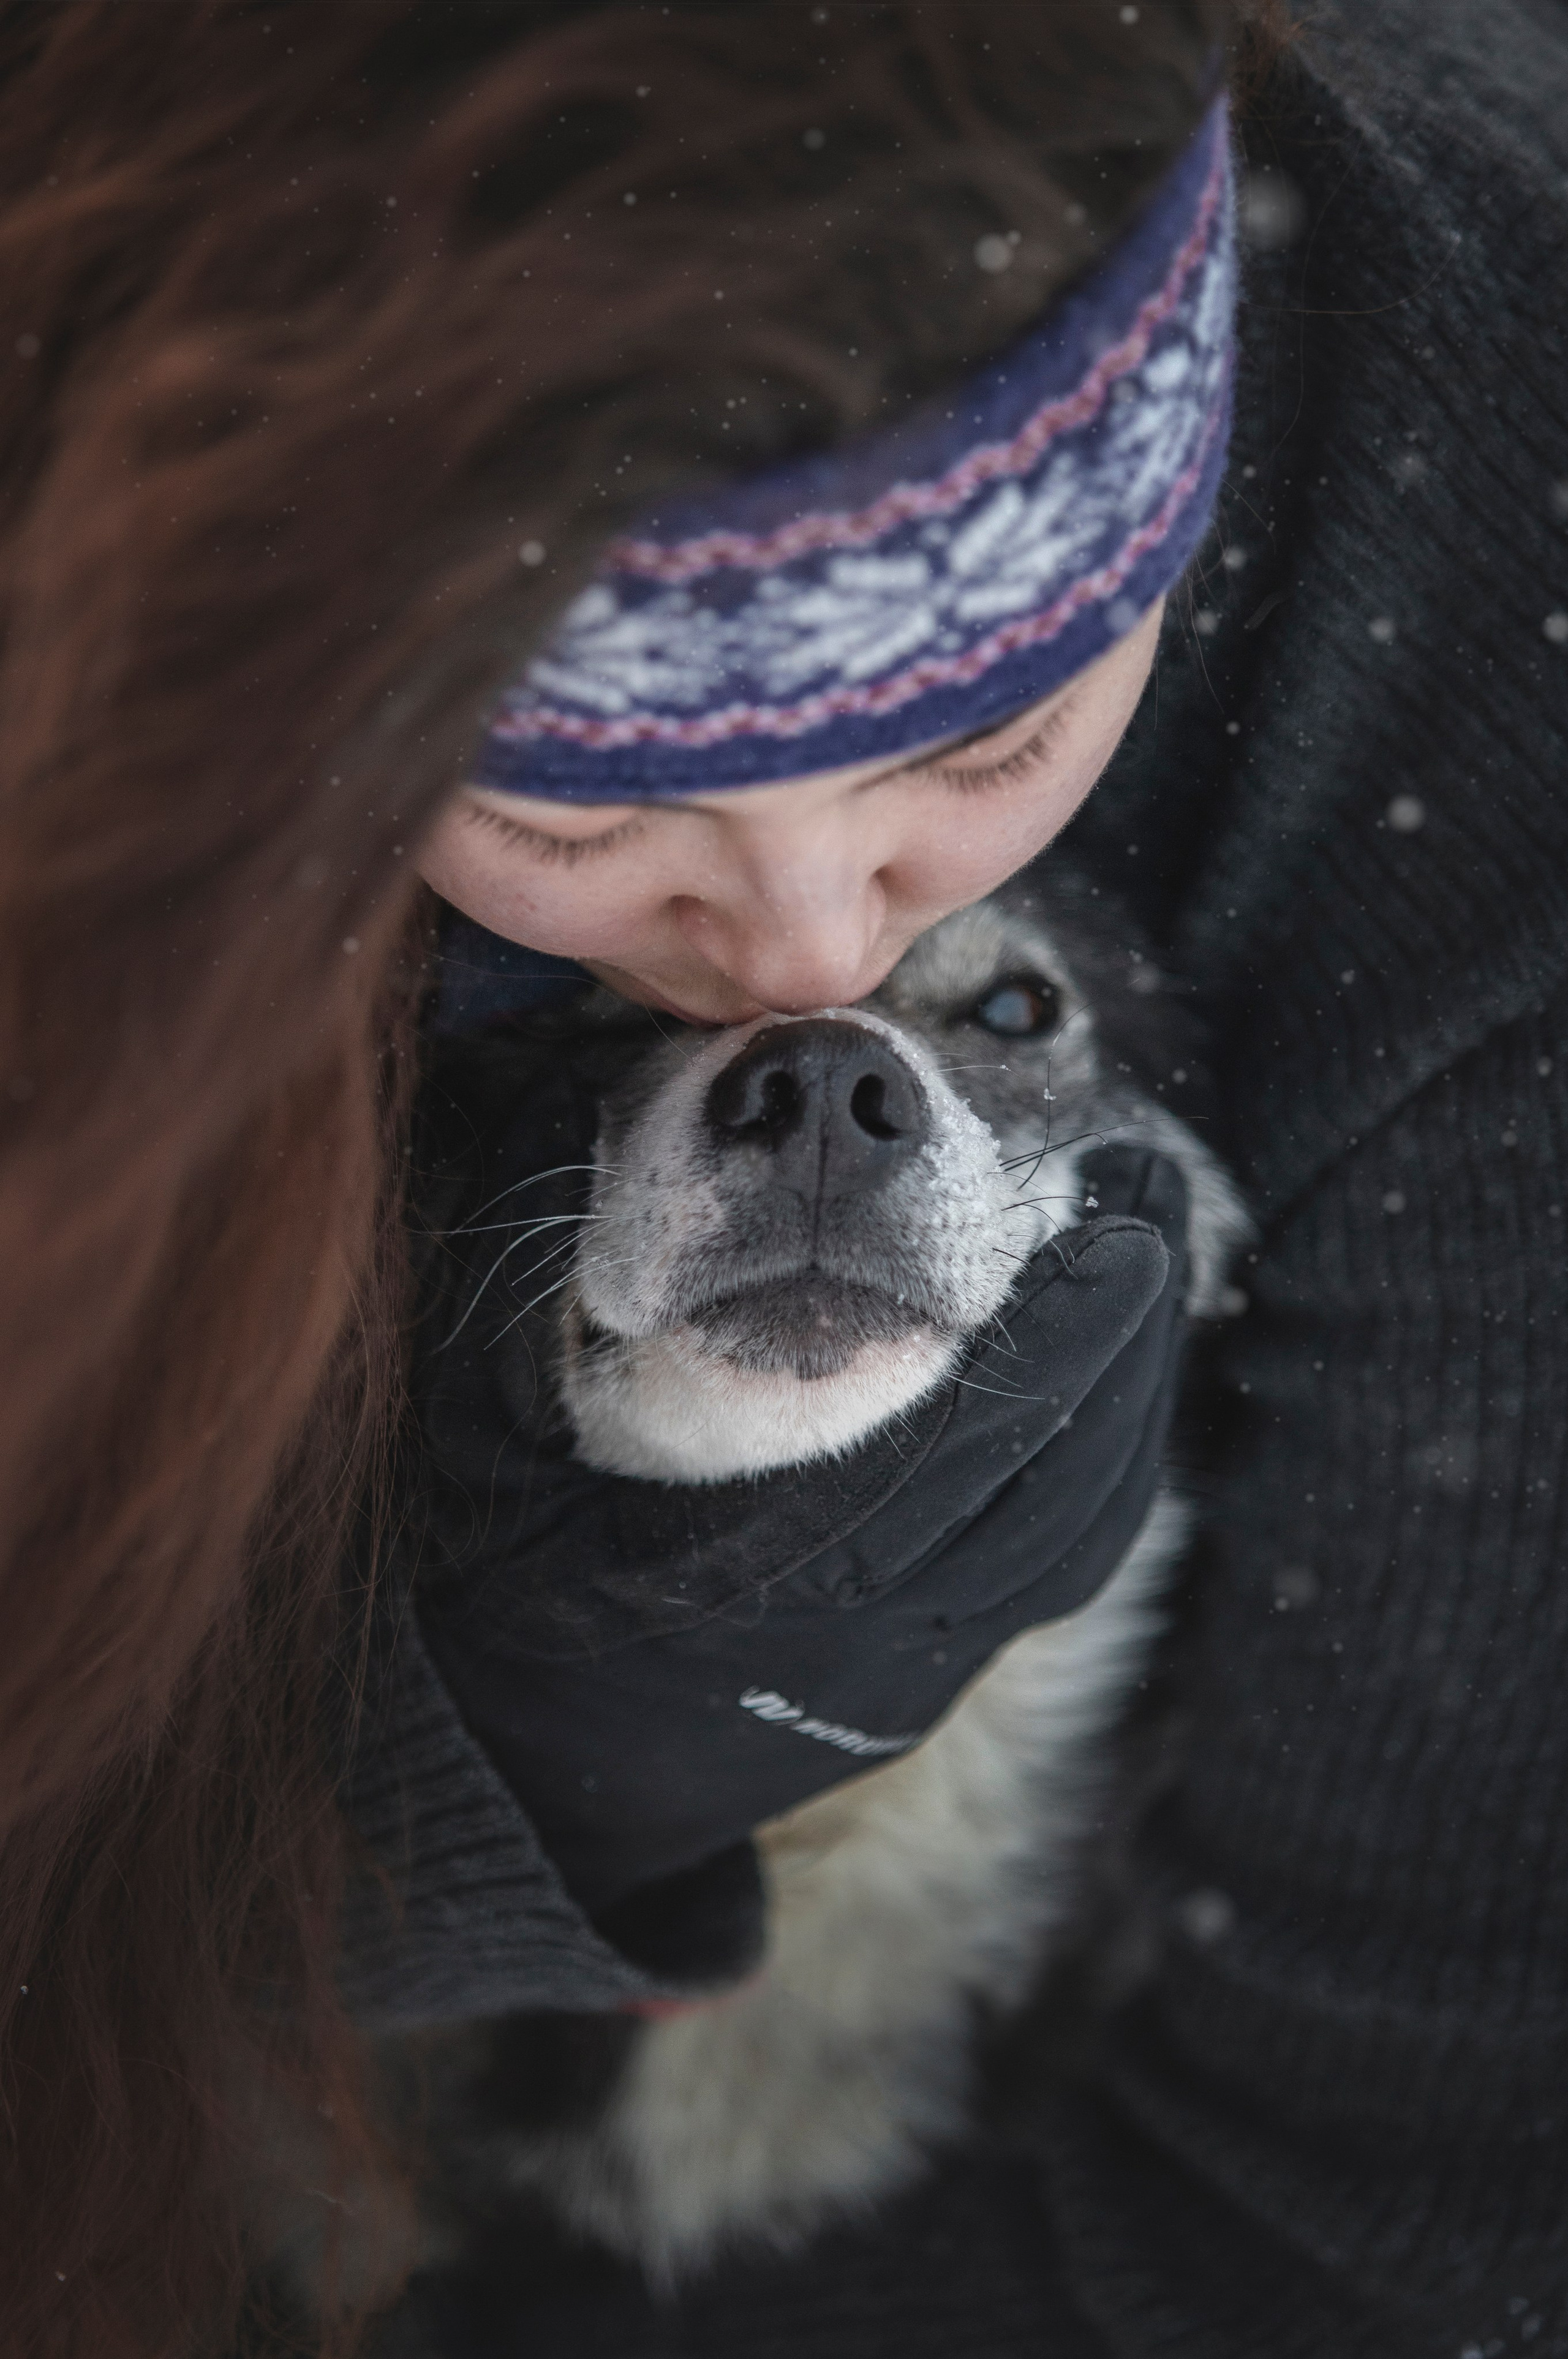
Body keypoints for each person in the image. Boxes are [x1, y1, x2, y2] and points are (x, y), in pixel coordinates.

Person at [0, 10, 1560, 2359]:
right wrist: (426, 1803)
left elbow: (1403, 2224)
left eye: (983, 742)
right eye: (582, 831)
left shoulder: (1484, 610)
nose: (820, 977)